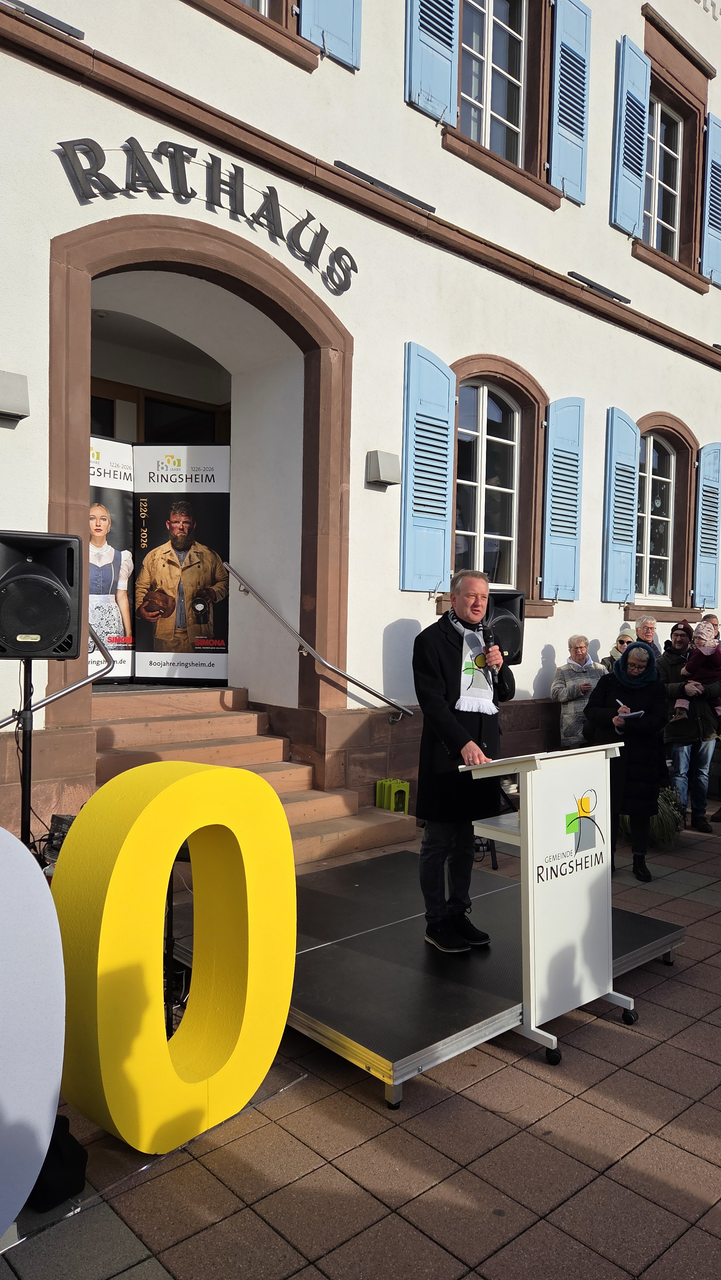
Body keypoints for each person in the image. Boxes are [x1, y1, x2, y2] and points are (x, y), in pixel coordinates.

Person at [413, 568, 515, 954]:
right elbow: (433, 704)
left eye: (484, 597)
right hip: (448, 755)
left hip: (483, 755)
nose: (478, 603)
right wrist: (462, 744)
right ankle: (436, 920)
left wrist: (500, 665)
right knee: (439, 840)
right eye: (471, 596)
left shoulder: (488, 638)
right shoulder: (430, 640)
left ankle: (458, 913)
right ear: (453, 598)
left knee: (467, 840)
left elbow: (504, 693)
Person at [584, 641, 667, 882]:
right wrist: (613, 717)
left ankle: (639, 861)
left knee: (641, 811)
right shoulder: (609, 681)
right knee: (608, 809)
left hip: (643, 756)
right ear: (624, 662)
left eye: (641, 667)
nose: (635, 670)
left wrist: (632, 723)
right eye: (631, 665)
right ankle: (606, 859)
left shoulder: (655, 685)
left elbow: (659, 718)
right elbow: (591, 710)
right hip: (612, 754)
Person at [135, 501, 228, 652]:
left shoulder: (209, 556)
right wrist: (140, 609)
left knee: (201, 667)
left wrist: (214, 592)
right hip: (164, 637)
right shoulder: (153, 557)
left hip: (200, 635)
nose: (180, 527)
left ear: (193, 525)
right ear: (168, 525)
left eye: (186, 522)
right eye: (176, 522)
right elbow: (140, 587)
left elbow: (224, 582)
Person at [658, 620, 719, 832]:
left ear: (690, 639)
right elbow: (659, 688)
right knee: (679, 773)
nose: (678, 638)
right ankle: (679, 815)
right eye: (675, 635)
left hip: (706, 726)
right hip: (679, 725)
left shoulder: (706, 654)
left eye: (683, 635)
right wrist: (682, 688)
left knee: (702, 773)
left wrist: (705, 689)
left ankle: (699, 816)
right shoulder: (662, 662)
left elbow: (720, 681)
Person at [88, 503, 133, 649]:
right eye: (92, 518)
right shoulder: (79, 553)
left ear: (109, 525)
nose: (98, 523)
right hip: (85, 618)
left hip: (111, 620)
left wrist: (128, 632)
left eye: (103, 519)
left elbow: (121, 596)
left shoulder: (122, 557)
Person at [550, 636, 605, 748]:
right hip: (573, 726)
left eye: (581, 647)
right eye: (575, 648)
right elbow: (555, 694)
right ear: (569, 650)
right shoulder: (562, 671)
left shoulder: (600, 669)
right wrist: (577, 690)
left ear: (587, 649)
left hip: (596, 723)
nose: (579, 651)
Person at [669, 621, 721, 722]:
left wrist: (685, 671)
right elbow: (661, 687)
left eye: (701, 638)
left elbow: (692, 666)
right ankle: (719, 714)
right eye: (696, 638)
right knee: (714, 700)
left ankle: (681, 710)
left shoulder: (701, 651)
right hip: (712, 678)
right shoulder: (715, 648)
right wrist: (682, 688)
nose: (697, 641)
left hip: (701, 680)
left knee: (686, 694)